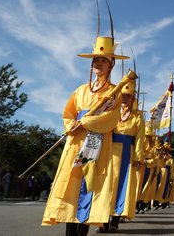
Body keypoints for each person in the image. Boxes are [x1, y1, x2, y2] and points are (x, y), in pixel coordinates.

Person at [42, 28, 129, 236]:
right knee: (71, 186)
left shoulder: (114, 92)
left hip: (95, 142)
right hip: (75, 142)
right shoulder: (80, 90)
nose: (98, 63)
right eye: (96, 60)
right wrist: (70, 124)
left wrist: (86, 121)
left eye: (103, 60)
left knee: (87, 186)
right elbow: (68, 112)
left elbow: (110, 118)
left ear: (111, 65)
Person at [95, 75, 145, 233]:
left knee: (120, 187)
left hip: (127, 155)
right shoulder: (113, 113)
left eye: (128, 96)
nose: (125, 99)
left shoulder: (137, 118)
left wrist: (138, 157)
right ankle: (101, 221)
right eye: (123, 96)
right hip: (109, 154)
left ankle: (114, 222)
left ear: (133, 99)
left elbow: (139, 139)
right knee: (106, 186)